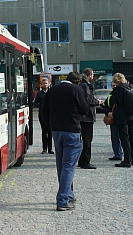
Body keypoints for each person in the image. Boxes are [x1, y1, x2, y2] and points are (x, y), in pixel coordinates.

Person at [41, 71, 89, 211]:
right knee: (69, 166)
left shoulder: (52, 90)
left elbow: (44, 112)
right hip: (72, 130)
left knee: (61, 165)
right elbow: (85, 109)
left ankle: (69, 194)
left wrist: (50, 126)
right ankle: (62, 200)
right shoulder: (76, 89)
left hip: (56, 131)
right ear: (78, 82)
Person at [108, 73, 133, 167]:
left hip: (122, 117)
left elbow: (111, 102)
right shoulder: (132, 86)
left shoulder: (118, 89)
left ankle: (127, 160)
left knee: (124, 138)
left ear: (116, 81)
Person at [78, 68, 103, 169]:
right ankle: (85, 161)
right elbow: (88, 100)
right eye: (92, 75)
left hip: (86, 116)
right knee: (87, 140)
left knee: (85, 140)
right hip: (86, 117)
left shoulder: (84, 85)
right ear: (90, 75)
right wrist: (98, 102)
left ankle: (82, 160)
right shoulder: (85, 85)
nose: (93, 77)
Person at [34, 78, 54, 154]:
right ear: (41, 84)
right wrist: (41, 105)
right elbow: (35, 103)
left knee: (50, 132)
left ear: (49, 84)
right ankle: (44, 149)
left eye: (46, 83)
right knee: (44, 131)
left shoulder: (51, 92)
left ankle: (50, 149)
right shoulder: (39, 93)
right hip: (42, 114)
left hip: (50, 114)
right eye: (44, 83)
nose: (45, 85)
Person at [103, 93, 123, 161]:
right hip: (113, 120)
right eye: (113, 85)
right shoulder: (110, 96)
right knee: (115, 137)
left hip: (122, 119)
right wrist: (108, 112)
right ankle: (118, 153)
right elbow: (105, 106)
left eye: (115, 85)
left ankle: (124, 153)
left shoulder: (124, 95)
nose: (113, 87)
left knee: (123, 137)